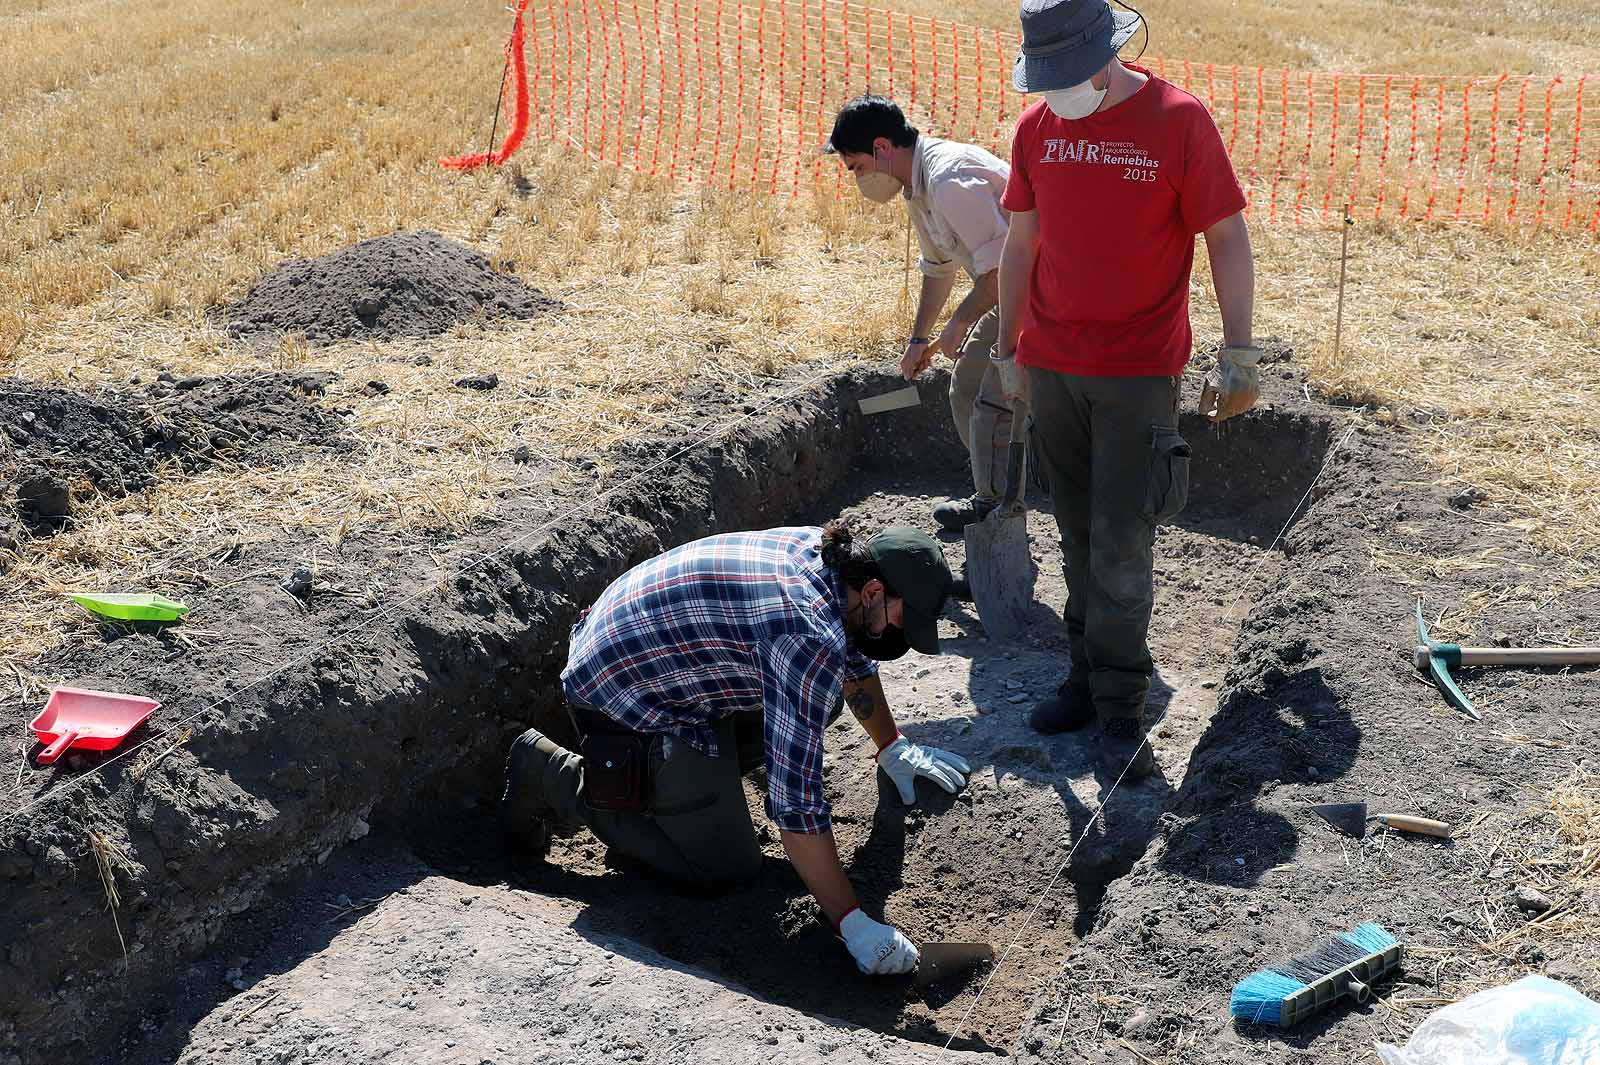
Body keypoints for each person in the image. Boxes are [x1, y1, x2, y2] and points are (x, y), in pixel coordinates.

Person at [500, 521, 970, 975]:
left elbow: (853, 655)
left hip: (652, 651)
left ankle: (680, 795)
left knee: (816, 701)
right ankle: (551, 775)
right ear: (871, 592)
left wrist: (892, 746)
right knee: (724, 867)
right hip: (619, 689)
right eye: (900, 623)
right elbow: (796, 809)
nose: (899, 638)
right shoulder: (805, 633)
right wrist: (853, 923)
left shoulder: (826, 554)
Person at [998, 0, 1260, 779]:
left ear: (1106, 53)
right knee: (1075, 529)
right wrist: (1011, 350)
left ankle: (1120, 705)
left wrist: (1239, 351)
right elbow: (1021, 240)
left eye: (1069, 76)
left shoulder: (1179, 121)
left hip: (1139, 372)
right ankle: (1082, 676)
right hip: (1052, 365)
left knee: (1121, 541)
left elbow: (1227, 236)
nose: (1060, 92)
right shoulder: (1038, 129)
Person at [825, 95, 1021, 532]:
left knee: (981, 393)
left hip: (1046, 292)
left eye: (856, 166)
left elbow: (1004, 268)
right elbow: (938, 268)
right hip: (1014, 291)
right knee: (968, 389)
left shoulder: (949, 179)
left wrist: (959, 323)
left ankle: (1000, 502)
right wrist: (918, 339)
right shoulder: (916, 187)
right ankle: (1003, 491)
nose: (859, 179)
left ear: (881, 148)